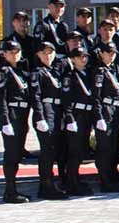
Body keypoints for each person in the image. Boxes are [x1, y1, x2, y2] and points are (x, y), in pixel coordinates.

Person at [29, 41, 68, 199]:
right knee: (47, 152)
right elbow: (35, 96)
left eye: (51, 52)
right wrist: (39, 117)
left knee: (54, 150)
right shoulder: (37, 72)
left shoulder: (53, 71)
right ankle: (46, 186)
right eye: (44, 53)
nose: (48, 55)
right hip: (46, 112)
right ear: (38, 54)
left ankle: (48, 184)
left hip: (56, 112)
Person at [0, 40, 31, 203]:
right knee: (11, 155)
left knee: (17, 154)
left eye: (17, 51)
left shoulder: (20, 71)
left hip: (22, 115)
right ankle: (10, 191)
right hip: (12, 115)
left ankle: (13, 189)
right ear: (4, 53)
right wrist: (4, 121)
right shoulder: (4, 71)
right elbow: (1, 99)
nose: (15, 54)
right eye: (11, 52)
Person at [61, 47, 96, 195]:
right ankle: (72, 182)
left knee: (81, 150)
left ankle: (76, 178)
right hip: (76, 115)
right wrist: (69, 118)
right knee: (74, 151)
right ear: (73, 59)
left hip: (87, 114)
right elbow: (66, 99)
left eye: (85, 56)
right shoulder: (70, 76)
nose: (83, 59)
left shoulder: (87, 74)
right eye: (79, 57)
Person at [91, 44, 119, 192]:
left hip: (114, 110)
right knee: (104, 148)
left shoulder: (113, 69)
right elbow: (96, 97)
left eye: (114, 53)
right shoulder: (100, 72)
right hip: (105, 110)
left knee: (112, 147)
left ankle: (111, 177)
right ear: (101, 53)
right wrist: (99, 117)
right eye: (108, 52)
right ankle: (104, 181)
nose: (112, 55)